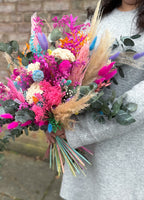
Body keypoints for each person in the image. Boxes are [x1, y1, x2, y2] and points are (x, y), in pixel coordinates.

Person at [60, 0, 144, 199]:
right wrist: (54, 118)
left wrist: (76, 131)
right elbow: (71, 66)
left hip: (126, 151)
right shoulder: (100, 15)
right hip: (84, 149)